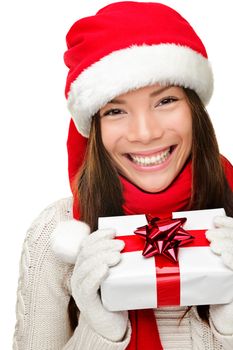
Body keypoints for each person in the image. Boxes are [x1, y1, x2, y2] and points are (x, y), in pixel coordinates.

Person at [13, 2, 233, 350]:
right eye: (115, 110)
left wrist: (228, 327)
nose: (144, 133)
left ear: (195, 111)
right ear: (94, 128)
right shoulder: (56, 234)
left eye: (165, 101)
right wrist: (101, 331)